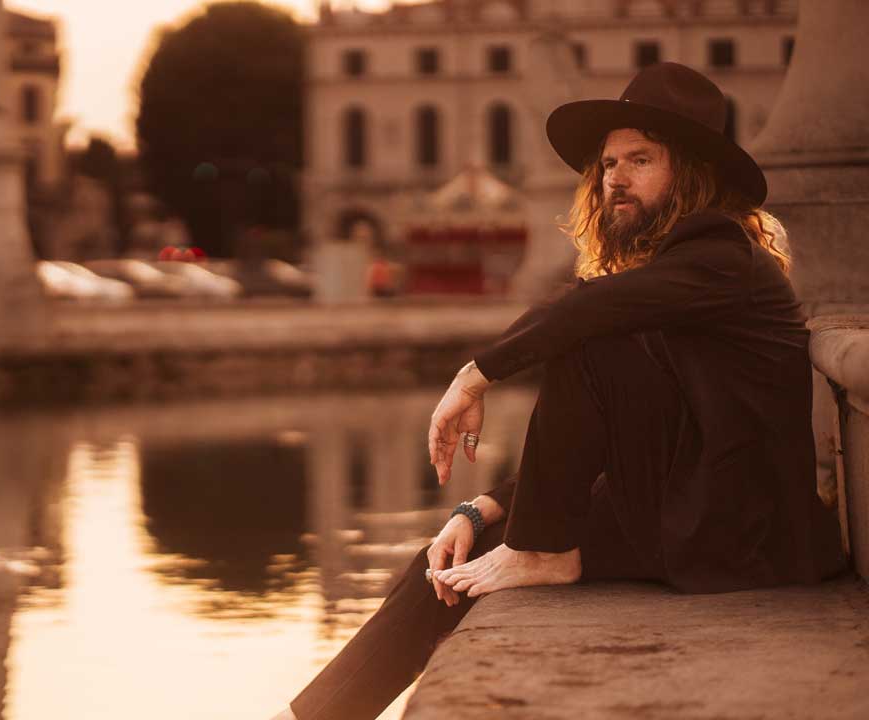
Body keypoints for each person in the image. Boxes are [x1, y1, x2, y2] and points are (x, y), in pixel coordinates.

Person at [272, 62, 849, 720]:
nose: (615, 179)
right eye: (608, 164)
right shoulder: (671, 275)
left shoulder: (723, 257)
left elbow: (586, 314)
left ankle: (541, 551)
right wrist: (483, 506)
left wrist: (473, 376)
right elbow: (614, 420)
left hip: (742, 537)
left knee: (587, 337)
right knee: (447, 561)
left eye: (640, 160)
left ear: (692, 173)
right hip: (692, 513)